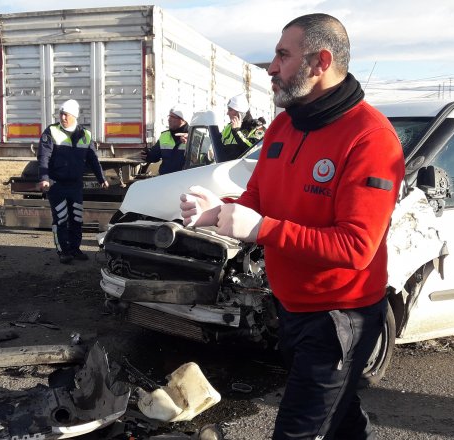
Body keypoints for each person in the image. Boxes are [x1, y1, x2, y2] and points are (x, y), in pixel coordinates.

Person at [180, 14, 403, 439]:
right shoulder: (285, 124)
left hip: (340, 317)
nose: (270, 66)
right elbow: (258, 201)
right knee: (340, 416)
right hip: (291, 305)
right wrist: (218, 210)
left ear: (320, 62)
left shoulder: (370, 137)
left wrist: (261, 228)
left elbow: (357, 247)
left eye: (283, 55)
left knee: (300, 429)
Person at [38, 99, 108, 264]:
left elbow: (93, 159)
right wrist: (44, 179)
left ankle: (75, 249)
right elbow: (43, 158)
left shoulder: (85, 134)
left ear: (74, 116)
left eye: (66, 114)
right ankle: (63, 251)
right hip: (56, 184)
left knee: (76, 218)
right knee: (61, 219)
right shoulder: (51, 132)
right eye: (61, 114)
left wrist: (101, 178)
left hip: (75, 185)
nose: (62, 117)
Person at [141, 106, 189, 175]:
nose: (169, 119)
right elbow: (154, 156)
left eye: (172, 117)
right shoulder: (164, 136)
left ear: (182, 120)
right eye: (169, 116)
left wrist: (190, 142)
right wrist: (147, 155)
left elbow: (201, 161)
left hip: (185, 180)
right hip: (165, 180)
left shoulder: (193, 136)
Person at [220, 94, 265, 161]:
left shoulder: (258, 128)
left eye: (230, 110)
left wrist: (236, 132)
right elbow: (218, 149)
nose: (227, 113)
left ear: (240, 113)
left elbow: (253, 153)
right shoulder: (228, 127)